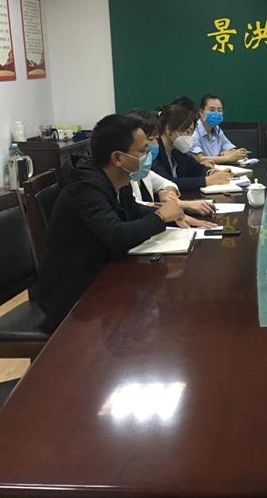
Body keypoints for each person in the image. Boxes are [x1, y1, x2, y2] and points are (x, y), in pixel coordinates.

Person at [37, 114, 184, 330]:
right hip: (73, 294)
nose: (148, 156)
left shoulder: (118, 177)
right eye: (143, 150)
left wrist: (171, 214)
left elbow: (132, 210)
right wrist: (161, 217)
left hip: (101, 274)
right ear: (118, 158)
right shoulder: (85, 188)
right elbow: (116, 235)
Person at [126, 109, 217, 229]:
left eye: (156, 138)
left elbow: (168, 183)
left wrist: (168, 193)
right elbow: (134, 205)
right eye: (151, 139)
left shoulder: (144, 169)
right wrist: (181, 205)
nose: (155, 144)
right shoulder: (124, 173)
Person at [152, 103, 232, 191]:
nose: (189, 137)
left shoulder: (176, 149)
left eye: (191, 133)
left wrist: (210, 173)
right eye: (187, 132)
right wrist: (209, 180)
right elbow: (167, 183)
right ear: (169, 129)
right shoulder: (153, 151)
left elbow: (196, 168)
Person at [191, 93, 248, 164]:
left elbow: (228, 147)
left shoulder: (217, 129)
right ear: (201, 112)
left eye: (219, 110)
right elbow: (200, 159)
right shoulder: (193, 130)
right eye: (212, 110)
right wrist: (229, 158)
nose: (216, 113)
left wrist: (238, 154)